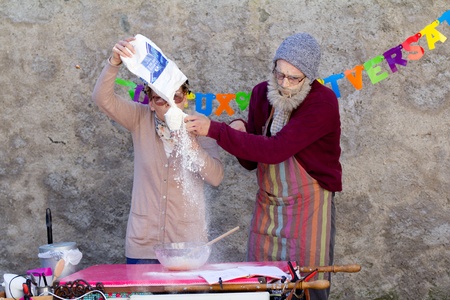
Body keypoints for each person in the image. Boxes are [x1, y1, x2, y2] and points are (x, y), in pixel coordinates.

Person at [185, 33, 341, 300]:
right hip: (268, 208)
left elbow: (275, 150)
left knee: (304, 287)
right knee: (259, 287)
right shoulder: (261, 93)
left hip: (309, 209)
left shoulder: (322, 103)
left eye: (294, 78)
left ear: (310, 76)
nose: (284, 83)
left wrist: (217, 130)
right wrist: (240, 130)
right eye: (279, 74)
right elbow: (250, 162)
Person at [92, 37, 224, 264]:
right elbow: (102, 99)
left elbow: (216, 178)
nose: (170, 104)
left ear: (184, 100)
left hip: (186, 245)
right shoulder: (139, 119)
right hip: (143, 245)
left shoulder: (200, 127)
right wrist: (114, 62)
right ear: (151, 103)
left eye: (176, 98)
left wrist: (190, 144)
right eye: (161, 100)